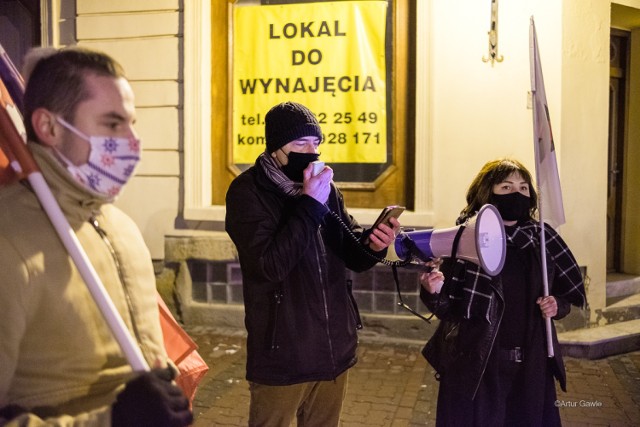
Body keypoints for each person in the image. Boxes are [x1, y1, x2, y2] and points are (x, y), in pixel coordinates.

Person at [0, 47, 192, 426]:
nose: (132, 141)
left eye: (131, 123)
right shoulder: (9, 241)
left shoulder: (120, 226)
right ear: (49, 127)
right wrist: (111, 421)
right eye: (112, 124)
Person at [225, 101, 400, 426]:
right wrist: (308, 204)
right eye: (301, 144)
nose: (313, 152)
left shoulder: (324, 189)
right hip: (283, 352)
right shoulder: (247, 192)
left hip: (332, 347)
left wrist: (373, 245)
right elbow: (268, 266)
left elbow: (351, 254)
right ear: (276, 148)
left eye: (316, 143)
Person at [419, 158, 587, 426]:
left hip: (532, 366)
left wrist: (558, 305)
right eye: (506, 187)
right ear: (487, 192)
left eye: (523, 188)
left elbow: (566, 294)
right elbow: (447, 308)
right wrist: (433, 290)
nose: (516, 194)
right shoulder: (465, 240)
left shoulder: (543, 239)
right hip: (478, 365)